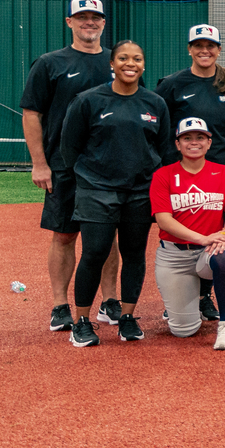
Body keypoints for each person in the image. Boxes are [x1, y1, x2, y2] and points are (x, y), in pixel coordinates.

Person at [60, 39, 172, 346]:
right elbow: (69, 148)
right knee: (94, 253)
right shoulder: (88, 101)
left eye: (136, 58)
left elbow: (164, 150)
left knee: (134, 254)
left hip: (139, 192)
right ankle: (82, 321)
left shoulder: (154, 103)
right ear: (112, 63)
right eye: (123, 58)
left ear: (143, 65)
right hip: (97, 191)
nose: (130, 63)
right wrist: (90, 177)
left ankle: (127, 317)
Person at [20, 0, 119, 333]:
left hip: (109, 167)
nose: (89, 22)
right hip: (64, 166)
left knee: (108, 236)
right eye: (82, 17)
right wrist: (39, 163)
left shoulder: (117, 61)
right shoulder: (50, 63)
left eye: (95, 17)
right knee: (64, 235)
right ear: (69, 22)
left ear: (104, 23)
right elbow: (32, 114)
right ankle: (60, 305)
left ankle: (110, 301)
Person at [150, 118, 225, 350]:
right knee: (184, 331)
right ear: (178, 144)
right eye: (187, 138)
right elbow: (164, 220)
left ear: (209, 143)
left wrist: (223, 235)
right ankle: (191, 304)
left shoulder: (224, 172)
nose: (194, 142)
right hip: (174, 256)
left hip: (209, 250)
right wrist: (202, 238)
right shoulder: (163, 175)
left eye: (200, 137)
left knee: (224, 256)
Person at [156, 24, 225, 178]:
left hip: (222, 165)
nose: (205, 51)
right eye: (198, 45)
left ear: (219, 50)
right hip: (181, 167)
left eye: (210, 45)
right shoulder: (171, 84)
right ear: (189, 49)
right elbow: (159, 126)